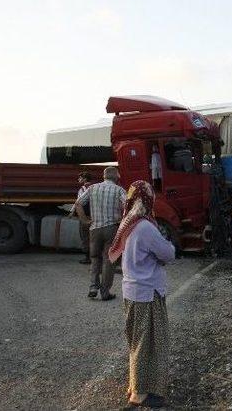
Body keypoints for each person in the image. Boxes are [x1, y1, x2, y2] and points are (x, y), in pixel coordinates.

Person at [107, 180, 174, 409]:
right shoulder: (145, 227)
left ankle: (138, 386)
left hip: (133, 291)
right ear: (148, 201)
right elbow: (168, 253)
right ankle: (139, 394)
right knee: (148, 343)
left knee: (139, 341)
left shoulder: (129, 223)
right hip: (147, 292)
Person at [76, 166, 126, 301]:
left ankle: (93, 287)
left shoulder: (92, 188)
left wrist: (85, 220)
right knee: (109, 260)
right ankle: (105, 292)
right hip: (111, 229)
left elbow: (78, 204)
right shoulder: (119, 190)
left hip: (94, 229)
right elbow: (128, 206)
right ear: (116, 176)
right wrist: (122, 220)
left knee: (94, 258)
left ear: (104, 176)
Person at [70, 171, 92, 264]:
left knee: (85, 236)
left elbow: (78, 202)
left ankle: (87, 258)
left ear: (85, 179)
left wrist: (72, 211)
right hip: (94, 214)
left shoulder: (82, 189)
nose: (78, 179)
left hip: (84, 215)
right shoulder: (95, 187)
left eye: (80, 178)